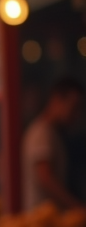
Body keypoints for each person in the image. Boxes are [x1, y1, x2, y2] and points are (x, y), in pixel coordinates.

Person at [22, 78, 83, 211]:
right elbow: (45, 177)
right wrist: (76, 207)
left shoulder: (50, 132)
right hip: (41, 220)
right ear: (57, 100)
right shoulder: (42, 133)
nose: (76, 115)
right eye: (74, 107)